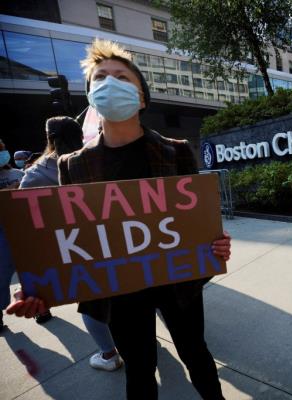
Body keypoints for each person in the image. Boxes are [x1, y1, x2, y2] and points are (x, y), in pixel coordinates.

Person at [7, 39, 231, 399]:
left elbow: (196, 223)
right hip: (120, 294)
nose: (111, 83)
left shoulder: (176, 152)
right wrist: (42, 284)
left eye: (122, 77)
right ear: (91, 96)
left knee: (197, 355)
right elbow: (73, 236)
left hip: (178, 287)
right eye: (101, 78)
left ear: (141, 97)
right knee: (140, 370)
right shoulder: (73, 165)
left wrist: (214, 243)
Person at [19, 116, 122, 371]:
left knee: (90, 300)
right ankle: (129, 341)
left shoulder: (35, 175)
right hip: (110, 242)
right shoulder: (96, 160)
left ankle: (109, 355)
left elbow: (25, 222)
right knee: (119, 292)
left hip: (72, 249)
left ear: (49, 139)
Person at [1, 138, 25, 331]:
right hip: (2, 235)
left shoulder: (20, 174)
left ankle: (43, 308)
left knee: (33, 268)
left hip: (24, 229)